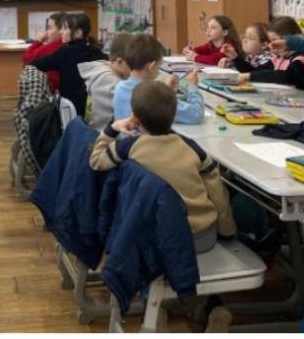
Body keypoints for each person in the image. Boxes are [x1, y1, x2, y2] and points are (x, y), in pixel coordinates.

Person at [90, 80, 236, 253]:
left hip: (153, 242)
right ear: (174, 115)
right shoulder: (193, 149)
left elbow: (96, 161)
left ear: (134, 117)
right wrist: (227, 232)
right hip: (200, 238)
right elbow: (217, 194)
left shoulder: (128, 147)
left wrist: (112, 129)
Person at [112, 33, 203, 125]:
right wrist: (192, 86)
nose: (158, 70)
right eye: (159, 65)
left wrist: (166, 92)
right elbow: (195, 114)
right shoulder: (153, 96)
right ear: (151, 67)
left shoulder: (119, 87)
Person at [31, 13, 106, 116]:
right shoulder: (96, 51)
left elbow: (36, 65)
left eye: (65, 28)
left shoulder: (65, 52)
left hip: (70, 110)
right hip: (94, 109)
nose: (61, 32)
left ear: (78, 33)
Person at [234, 17, 304, 91]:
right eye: (270, 41)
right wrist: (235, 58)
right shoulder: (278, 58)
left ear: (289, 39)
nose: (270, 45)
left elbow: (287, 76)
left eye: (274, 40)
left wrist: (249, 76)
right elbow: (256, 71)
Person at [80, 33, 132, 130]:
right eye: (134, 64)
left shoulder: (103, 69)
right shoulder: (111, 82)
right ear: (119, 62)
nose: (137, 68)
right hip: (103, 135)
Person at [22, 12, 65, 92]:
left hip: (52, 91)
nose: (46, 32)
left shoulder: (52, 47)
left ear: (61, 30)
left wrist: (38, 41)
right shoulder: (71, 44)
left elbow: (26, 58)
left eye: (49, 28)